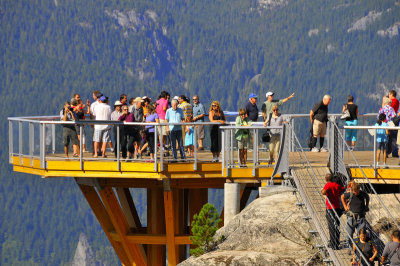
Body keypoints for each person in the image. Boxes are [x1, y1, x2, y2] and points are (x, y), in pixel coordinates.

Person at [341, 182, 370, 252]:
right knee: (349, 233)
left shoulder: (362, 194)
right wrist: (345, 206)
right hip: (352, 217)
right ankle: (350, 248)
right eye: (353, 191)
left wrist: (366, 206)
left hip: (361, 217)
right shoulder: (350, 194)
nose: (354, 193)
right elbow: (342, 197)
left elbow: (367, 197)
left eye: (355, 191)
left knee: (361, 234)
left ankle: (360, 249)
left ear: (358, 189)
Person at [321, 173, 344, 250]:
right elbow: (343, 189)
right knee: (337, 225)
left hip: (330, 208)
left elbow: (324, 192)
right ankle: (337, 242)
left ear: (326, 179)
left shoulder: (328, 185)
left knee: (331, 226)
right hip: (337, 207)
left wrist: (322, 191)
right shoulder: (336, 185)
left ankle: (333, 244)